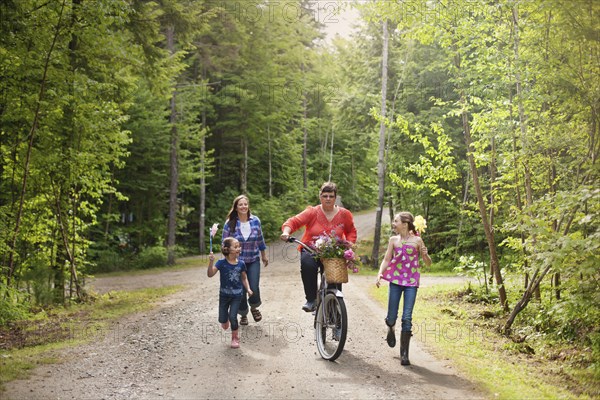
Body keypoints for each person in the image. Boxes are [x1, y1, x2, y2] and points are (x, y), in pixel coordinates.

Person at [280, 181, 357, 312]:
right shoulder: (312, 212)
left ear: (335, 197)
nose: (328, 199)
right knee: (307, 265)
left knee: (334, 278)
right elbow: (294, 221)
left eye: (331, 196)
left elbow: (351, 231)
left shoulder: (345, 214)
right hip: (311, 248)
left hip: (334, 251)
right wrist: (286, 232)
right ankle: (311, 300)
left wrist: (349, 244)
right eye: (325, 195)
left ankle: (334, 308)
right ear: (320, 196)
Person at [376, 211, 432, 365]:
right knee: (391, 316)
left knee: (407, 317)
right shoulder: (393, 240)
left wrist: (425, 255)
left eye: (396, 221)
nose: (394, 224)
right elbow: (387, 259)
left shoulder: (417, 241)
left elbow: (428, 263)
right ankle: (390, 328)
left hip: (411, 283)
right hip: (395, 281)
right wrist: (380, 273)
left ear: (405, 224)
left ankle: (404, 354)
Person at [222, 195, 268, 326]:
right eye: (240, 204)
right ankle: (243, 314)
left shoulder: (255, 221)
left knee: (253, 286)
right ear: (236, 207)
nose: (243, 207)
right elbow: (224, 243)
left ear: (248, 206)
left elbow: (260, 239)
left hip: (253, 259)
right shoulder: (230, 223)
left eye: (245, 204)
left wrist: (263, 255)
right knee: (241, 290)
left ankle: (254, 307)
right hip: (236, 262)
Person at [207, 237, 253, 349]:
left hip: (237, 295)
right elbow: (210, 274)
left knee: (233, 316)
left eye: (239, 246)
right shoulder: (221, 263)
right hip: (224, 295)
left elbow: (244, 278)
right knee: (223, 320)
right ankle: (224, 319)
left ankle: (235, 338)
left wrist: (248, 289)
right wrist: (211, 262)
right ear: (227, 249)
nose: (239, 248)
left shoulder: (241, 264)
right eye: (235, 246)